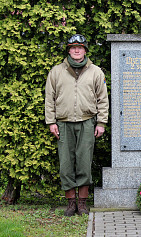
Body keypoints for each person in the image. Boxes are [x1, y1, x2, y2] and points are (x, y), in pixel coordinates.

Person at [45, 34, 109, 216]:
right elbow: (49, 99)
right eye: (73, 47)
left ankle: (82, 203)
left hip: (87, 122)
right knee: (65, 164)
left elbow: (102, 100)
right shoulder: (56, 72)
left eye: (80, 47)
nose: (76, 50)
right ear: (68, 50)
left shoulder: (96, 72)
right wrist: (51, 122)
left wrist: (101, 122)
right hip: (63, 123)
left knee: (84, 162)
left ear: (85, 50)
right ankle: (70, 203)